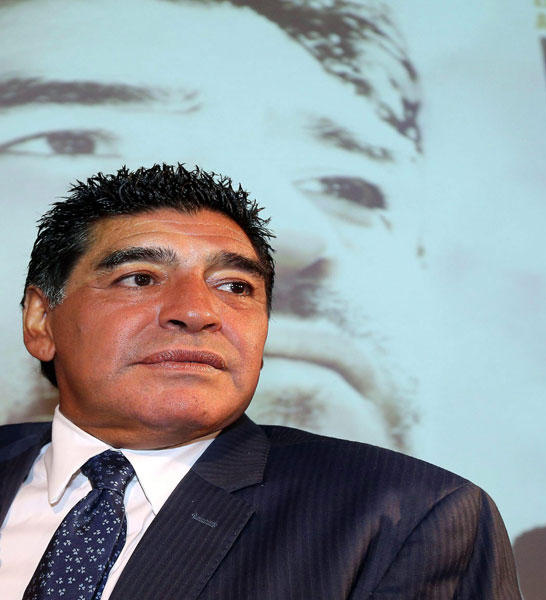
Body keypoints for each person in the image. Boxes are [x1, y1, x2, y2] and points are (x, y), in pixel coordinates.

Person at [0, 164, 520, 599]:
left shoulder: (404, 516)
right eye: (139, 278)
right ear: (41, 321)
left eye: (234, 286)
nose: (197, 311)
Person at [0, 0, 426, 451]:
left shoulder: (440, 496)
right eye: (70, 142)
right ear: (39, 316)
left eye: (343, 186)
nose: (285, 237)